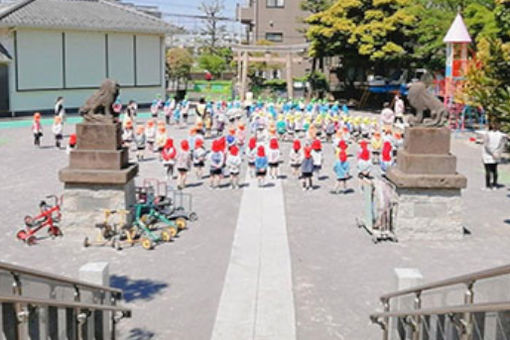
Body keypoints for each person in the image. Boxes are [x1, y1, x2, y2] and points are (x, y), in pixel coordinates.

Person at [482, 122, 507, 190]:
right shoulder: (501, 135)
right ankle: (495, 185)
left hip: (488, 154)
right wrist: (497, 153)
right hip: (496, 154)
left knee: (487, 170)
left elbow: (486, 145)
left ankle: (488, 186)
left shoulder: (487, 134)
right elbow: (502, 145)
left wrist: (492, 153)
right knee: (494, 170)